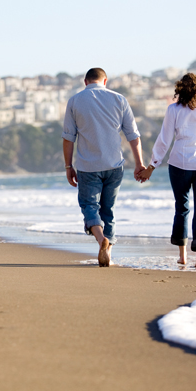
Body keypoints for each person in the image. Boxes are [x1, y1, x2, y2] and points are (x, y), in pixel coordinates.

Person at [137, 73, 196, 269]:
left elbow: (164, 139)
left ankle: (183, 256)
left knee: (182, 207)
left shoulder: (173, 110)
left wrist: (152, 165)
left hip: (180, 164)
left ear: (180, 89)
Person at [62, 67, 145, 267]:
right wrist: (140, 164)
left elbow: (68, 138)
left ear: (85, 82)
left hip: (87, 166)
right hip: (114, 165)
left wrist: (68, 166)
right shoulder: (119, 99)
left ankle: (101, 241)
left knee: (89, 206)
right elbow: (133, 135)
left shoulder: (75, 101)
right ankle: (108, 251)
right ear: (105, 81)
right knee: (108, 209)